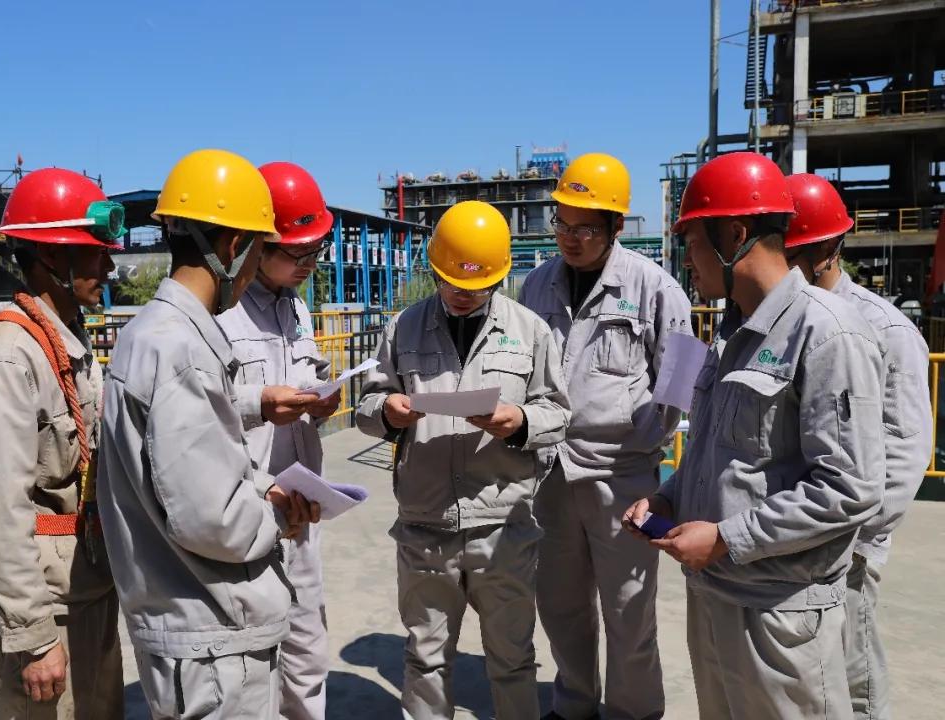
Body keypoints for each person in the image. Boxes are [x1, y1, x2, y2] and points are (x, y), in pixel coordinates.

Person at [624, 152, 885, 720]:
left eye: (693, 243)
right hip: (714, 597)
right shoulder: (730, 333)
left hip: (780, 616)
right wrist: (669, 498)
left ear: (735, 235)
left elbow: (851, 488)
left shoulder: (827, 333)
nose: (687, 262)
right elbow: (720, 453)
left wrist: (726, 537)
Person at [97, 149, 318, 720]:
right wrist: (278, 512)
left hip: (189, 631)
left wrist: (260, 486)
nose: (253, 270)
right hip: (213, 640)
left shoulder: (147, 334)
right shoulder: (182, 349)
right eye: (258, 251)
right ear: (234, 246)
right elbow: (214, 520)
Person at [356, 200, 571, 720]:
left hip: (503, 526)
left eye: (476, 286)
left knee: (513, 659)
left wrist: (520, 422)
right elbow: (366, 405)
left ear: (497, 277)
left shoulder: (530, 331)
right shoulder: (404, 328)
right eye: (451, 282)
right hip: (425, 526)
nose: (461, 293)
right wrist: (386, 411)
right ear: (435, 269)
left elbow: (559, 414)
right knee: (425, 660)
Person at [517, 153, 691, 720]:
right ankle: (574, 705)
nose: (570, 238)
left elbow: (681, 380)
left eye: (585, 227)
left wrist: (644, 440)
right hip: (551, 474)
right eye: (562, 223)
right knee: (560, 604)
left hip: (623, 478)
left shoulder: (656, 288)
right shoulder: (536, 285)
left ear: (616, 226)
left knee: (629, 608)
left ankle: (632, 711)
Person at [0, 167, 125, 719]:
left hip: (84, 593)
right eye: (95, 253)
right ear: (51, 255)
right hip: (47, 614)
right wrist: (33, 638)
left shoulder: (66, 344)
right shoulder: (3, 359)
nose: (109, 266)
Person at [783, 172, 933, 720]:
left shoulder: (883, 328)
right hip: (791, 533)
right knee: (806, 676)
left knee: (854, 670)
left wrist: (859, 537)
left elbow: (905, 448)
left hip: (846, 540)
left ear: (825, 249)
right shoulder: (778, 317)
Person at [217, 161, 339, 720]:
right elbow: (192, 412)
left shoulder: (297, 307)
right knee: (249, 659)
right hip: (247, 508)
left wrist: (325, 397)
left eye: (317, 250)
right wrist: (258, 402)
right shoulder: (219, 315)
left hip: (301, 505)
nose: (309, 263)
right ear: (255, 246)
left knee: (308, 645)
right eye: (298, 252)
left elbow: (307, 374)